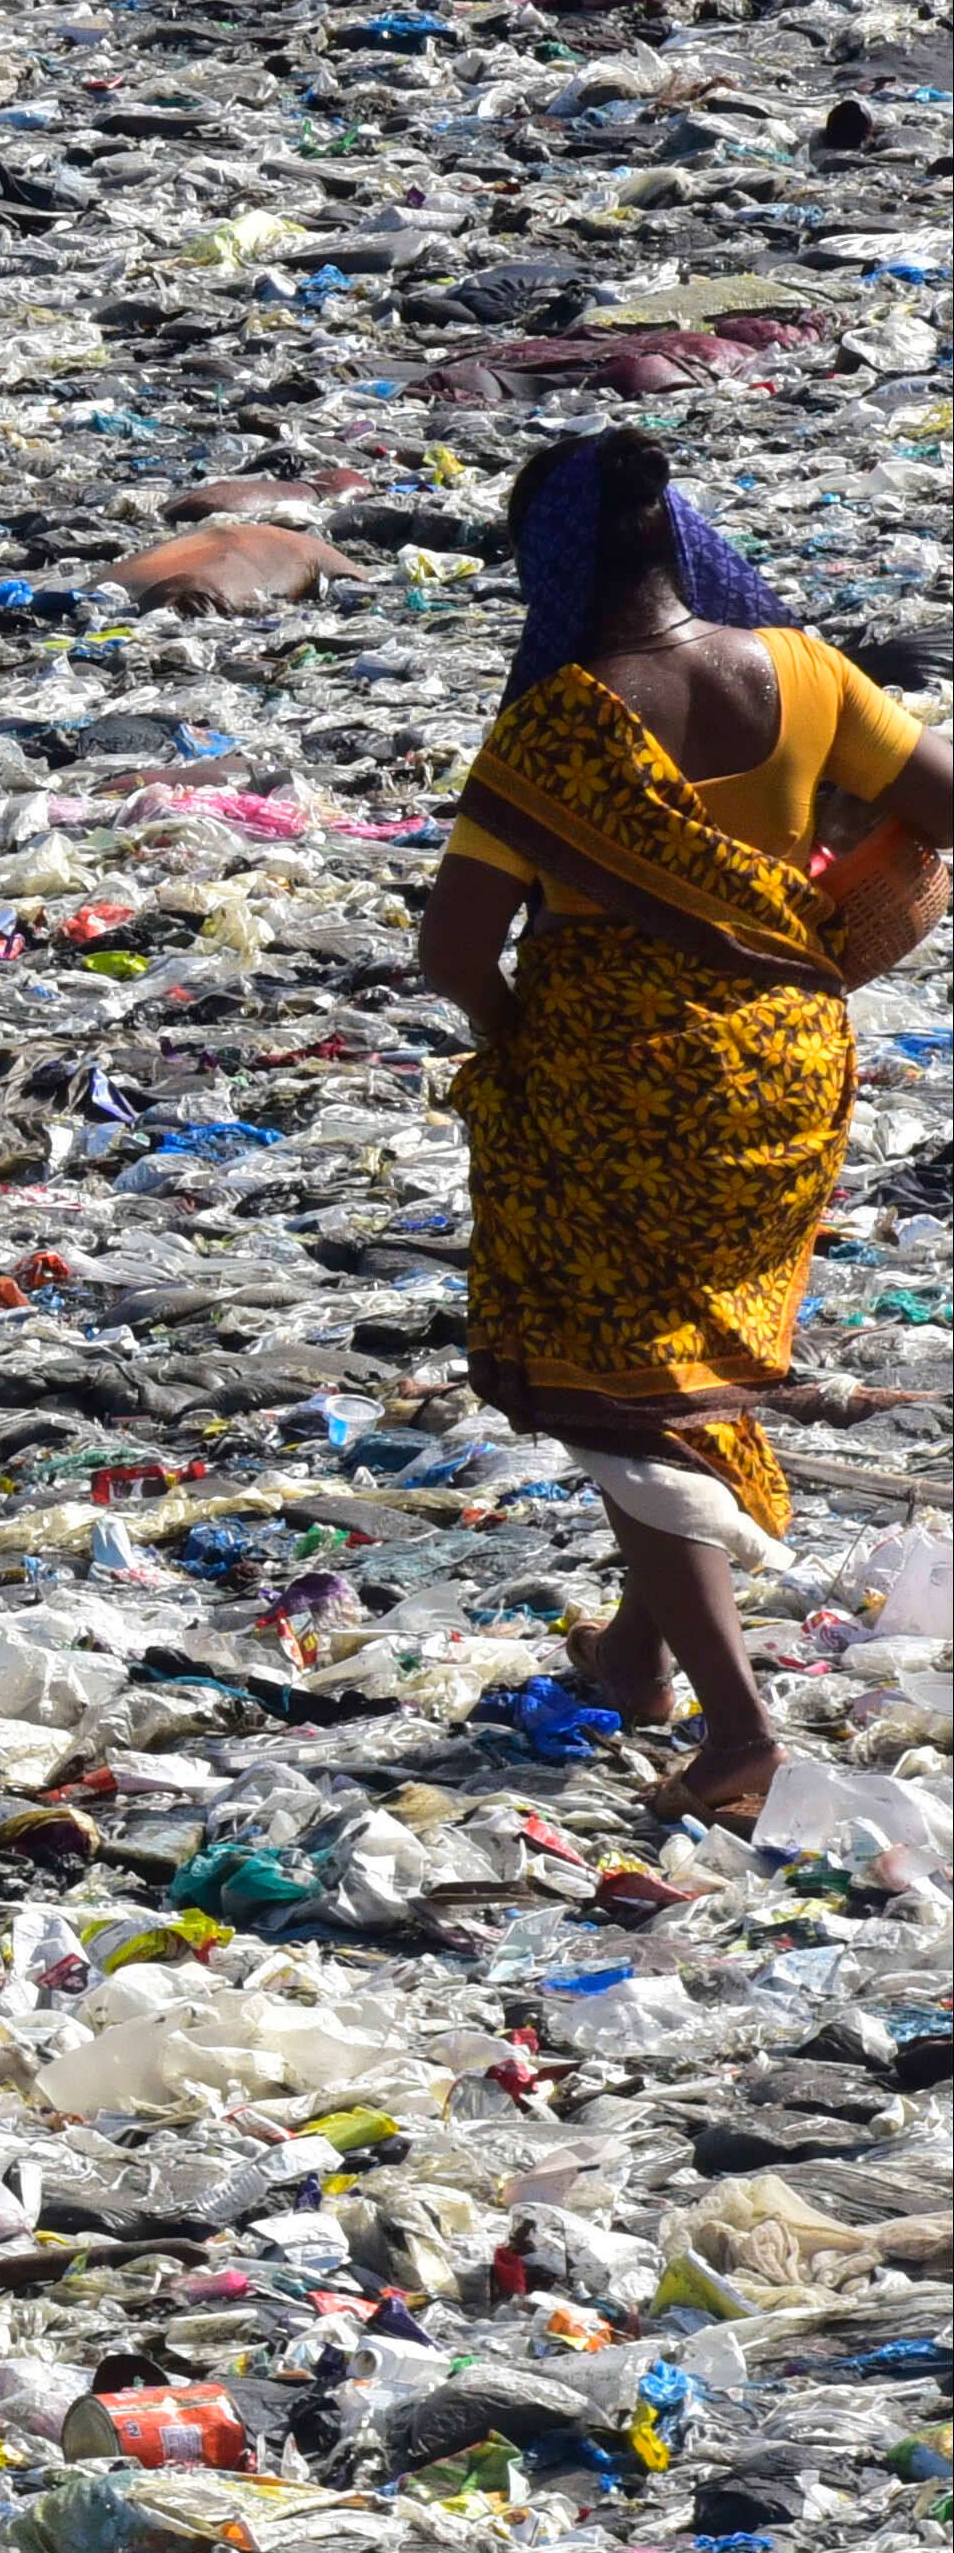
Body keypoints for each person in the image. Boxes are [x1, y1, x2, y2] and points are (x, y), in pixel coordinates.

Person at [419, 426, 954, 1824]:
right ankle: (634, 1654)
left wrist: (505, 1029)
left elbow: (454, 947)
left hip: (615, 1085)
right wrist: (843, 900)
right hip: (785, 1071)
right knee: (667, 1362)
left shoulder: (557, 730)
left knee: (619, 1382)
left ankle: (738, 1731)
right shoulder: (808, 674)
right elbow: (946, 805)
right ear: (677, 538)